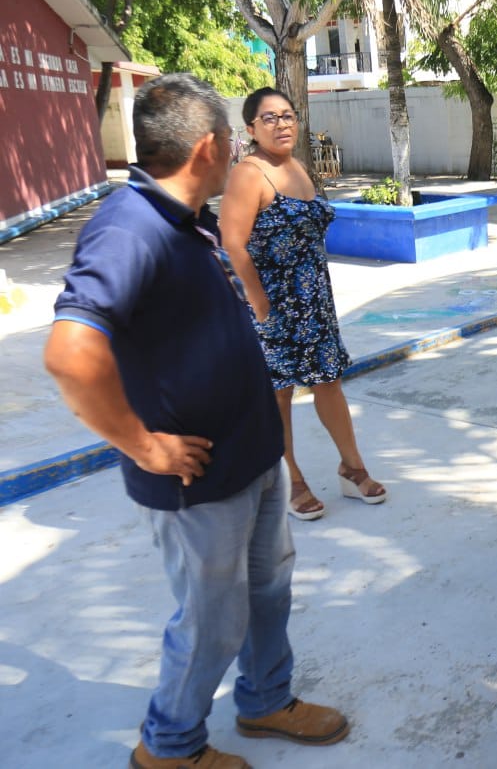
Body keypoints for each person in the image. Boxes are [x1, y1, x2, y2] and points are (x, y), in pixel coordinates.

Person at [44, 73, 349, 769]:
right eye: (234, 138)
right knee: (212, 619)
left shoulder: (186, 222)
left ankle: (265, 698)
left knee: (267, 589)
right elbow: (70, 352)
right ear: (209, 146)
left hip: (249, 458)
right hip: (198, 478)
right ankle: (170, 746)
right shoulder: (129, 228)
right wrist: (143, 444)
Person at [221, 87, 386, 522]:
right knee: (278, 395)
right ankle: (291, 479)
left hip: (313, 302)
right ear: (252, 128)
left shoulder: (296, 166)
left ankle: (353, 469)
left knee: (328, 383)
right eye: (270, 118)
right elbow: (232, 244)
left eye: (288, 116)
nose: (282, 124)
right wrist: (259, 303)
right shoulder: (249, 173)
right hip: (272, 306)